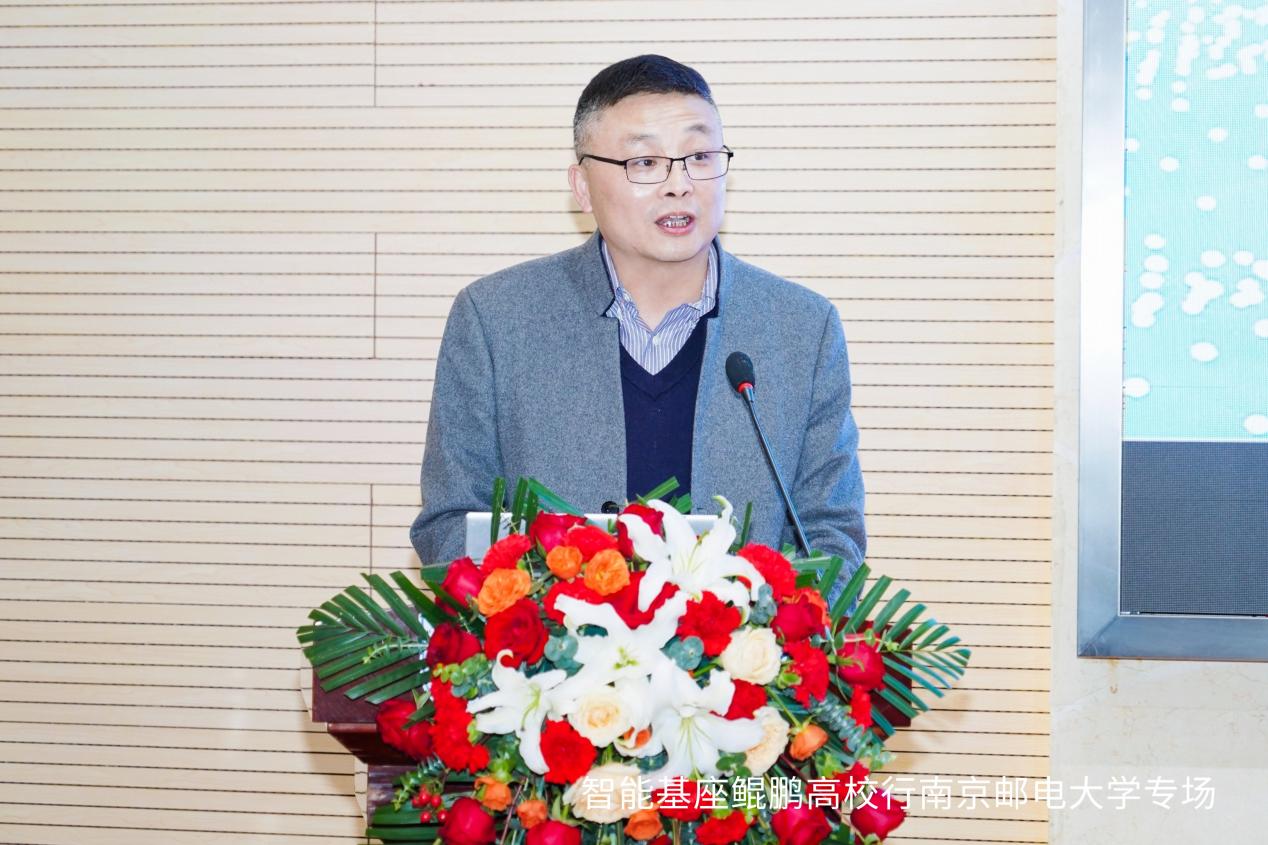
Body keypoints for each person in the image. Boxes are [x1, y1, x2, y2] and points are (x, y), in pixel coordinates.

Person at [410, 55, 865, 591]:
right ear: (582, 186)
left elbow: (830, 536)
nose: (679, 185)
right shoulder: (495, 321)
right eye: (645, 162)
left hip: (744, 643)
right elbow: (451, 524)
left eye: (700, 156)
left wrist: (760, 627)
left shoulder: (802, 329)